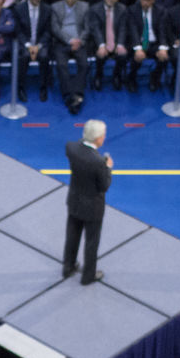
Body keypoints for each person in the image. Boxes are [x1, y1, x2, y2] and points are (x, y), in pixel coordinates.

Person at [63, 119, 112, 285]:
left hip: (75, 201)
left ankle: (68, 267)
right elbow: (103, 186)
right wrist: (108, 168)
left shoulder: (71, 148)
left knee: (72, 235)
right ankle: (88, 276)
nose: (104, 138)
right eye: (103, 135)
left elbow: (79, 146)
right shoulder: (98, 162)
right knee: (91, 242)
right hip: (92, 207)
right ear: (97, 139)